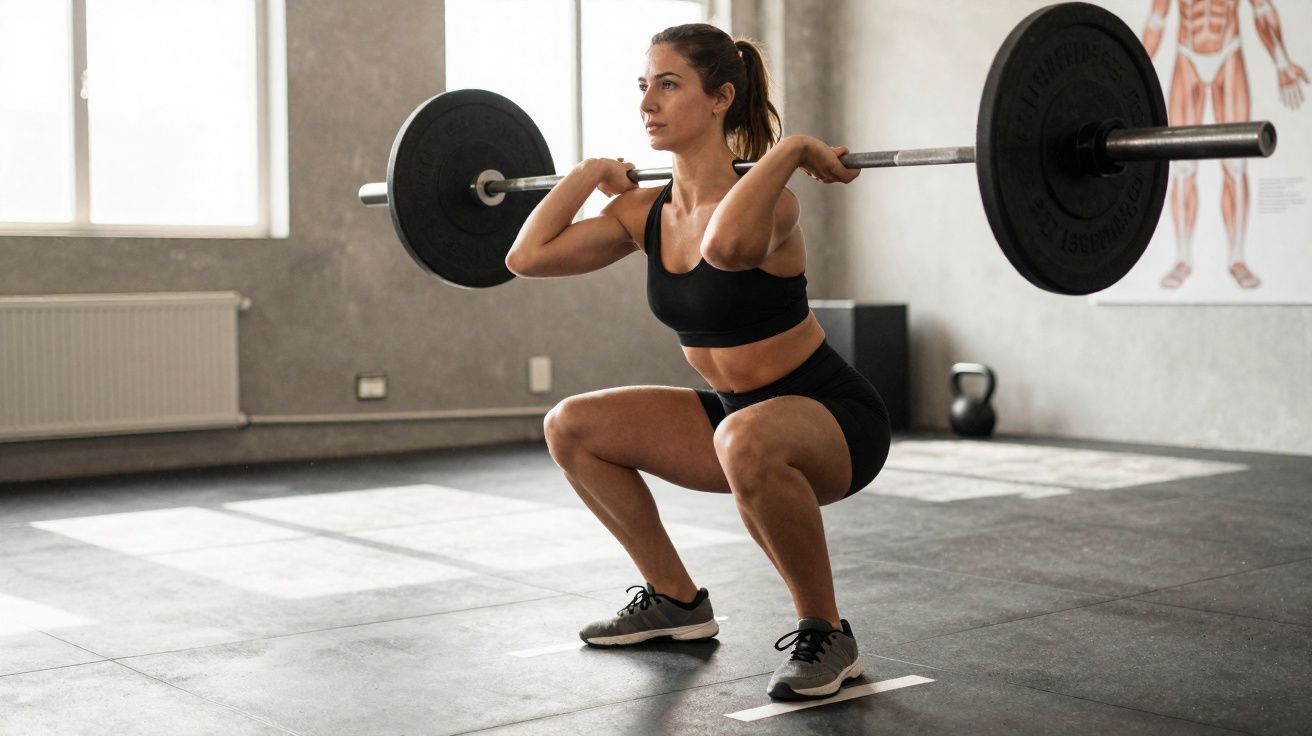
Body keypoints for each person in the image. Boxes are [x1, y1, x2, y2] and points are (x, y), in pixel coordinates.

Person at [504, 23, 891, 701]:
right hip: (734, 419)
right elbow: (525, 258)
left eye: (669, 84)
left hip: (832, 420)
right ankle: (676, 600)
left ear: (720, 100)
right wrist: (586, 175)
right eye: (643, 86)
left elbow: (729, 247)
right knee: (571, 426)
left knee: (745, 437)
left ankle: (828, 632)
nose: (648, 102)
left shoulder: (776, 204)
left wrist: (792, 149)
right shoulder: (641, 212)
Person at [1142, 0, 1307, 290]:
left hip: (1228, 54)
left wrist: (1281, 62)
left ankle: (1237, 258)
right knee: (1181, 168)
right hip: (1187, 55)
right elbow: (1157, 20)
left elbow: (1262, 11)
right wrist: (1134, 75)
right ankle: (1183, 258)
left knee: (1235, 165)